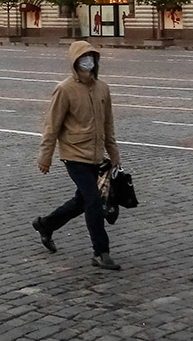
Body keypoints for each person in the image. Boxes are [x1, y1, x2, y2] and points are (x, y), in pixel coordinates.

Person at [32, 40, 122, 270]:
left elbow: (108, 124)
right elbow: (52, 125)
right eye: (83, 57)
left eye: (91, 57)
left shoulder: (103, 88)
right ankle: (101, 252)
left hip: (96, 154)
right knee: (93, 201)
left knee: (82, 200)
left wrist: (113, 152)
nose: (88, 61)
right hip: (74, 154)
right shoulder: (65, 89)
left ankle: (46, 224)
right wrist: (46, 155)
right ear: (74, 62)